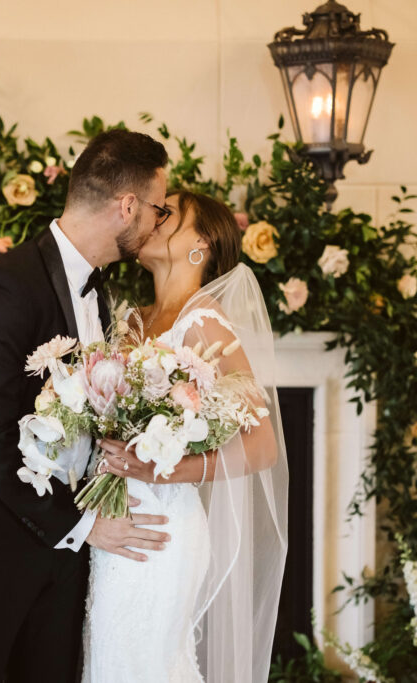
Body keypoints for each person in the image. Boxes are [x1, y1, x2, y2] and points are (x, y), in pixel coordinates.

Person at [0, 129, 175, 683]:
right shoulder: (3, 289)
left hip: (63, 537)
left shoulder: (98, 292)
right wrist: (81, 525)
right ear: (127, 207)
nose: (157, 222)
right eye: (157, 208)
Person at [83, 191, 290, 682]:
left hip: (164, 529)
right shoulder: (131, 319)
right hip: (114, 524)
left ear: (200, 243)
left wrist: (173, 468)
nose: (151, 217)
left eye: (167, 212)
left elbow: (262, 445)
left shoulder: (206, 324)